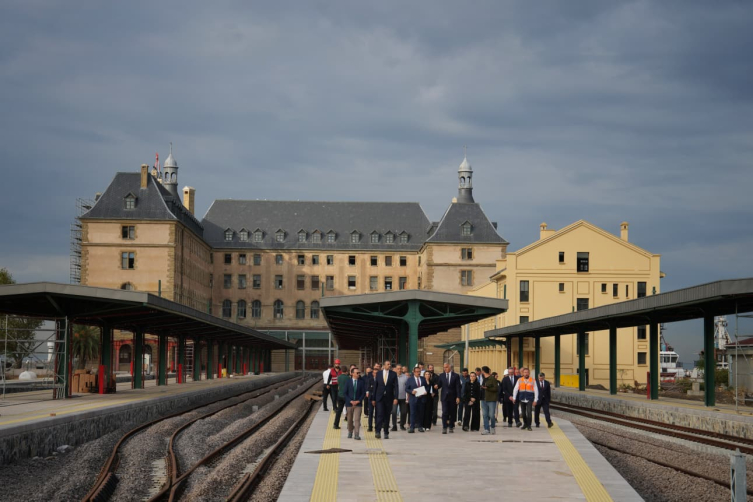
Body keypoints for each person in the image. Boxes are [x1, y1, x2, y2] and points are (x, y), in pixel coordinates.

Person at [372, 360, 398, 439]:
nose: (389, 365)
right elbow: (375, 386)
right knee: (379, 414)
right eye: (388, 364)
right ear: (384, 365)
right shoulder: (379, 373)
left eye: (390, 364)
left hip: (389, 398)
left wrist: (395, 397)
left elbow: (396, 387)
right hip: (380, 397)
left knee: (387, 415)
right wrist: (373, 398)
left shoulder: (393, 374)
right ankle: (378, 431)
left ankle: (386, 432)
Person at [436, 362, 462, 434]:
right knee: (445, 412)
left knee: (452, 412)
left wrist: (458, 397)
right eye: (444, 367)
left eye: (446, 367)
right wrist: (437, 386)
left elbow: (458, 387)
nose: (445, 369)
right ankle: (444, 427)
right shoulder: (441, 375)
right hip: (444, 397)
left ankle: (451, 426)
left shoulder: (456, 376)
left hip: (453, 397)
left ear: (450, 367)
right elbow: (439, 384)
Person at [343, 367, 366, 440]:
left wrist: (358, 401)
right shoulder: (348, 382)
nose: (359, 374)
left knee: (357, 419)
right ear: (352, 374)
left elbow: (363, 393)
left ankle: (356, 434)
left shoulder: (361, 382)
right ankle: (350, 431)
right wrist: (350, 401)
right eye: (357, 373)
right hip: (349, 404)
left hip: (358, 404)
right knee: (349, 419)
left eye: (359, 373)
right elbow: (345, 393)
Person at [405, 366, 426, 433]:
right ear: (414, 372)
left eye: (419, 372)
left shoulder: (423, 379)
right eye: (416, 372)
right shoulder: (410, 379)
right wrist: (411, 392)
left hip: (421, 399)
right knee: (413, 413)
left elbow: (426, 387)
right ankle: (412, 427)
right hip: (413, 399)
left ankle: (420, 427)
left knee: (421, 413)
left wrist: (426, 391)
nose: (418, 373)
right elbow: (406, 389)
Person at [480, 366, 498, 435]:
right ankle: (486, 429)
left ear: (483, 371)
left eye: (482, 371)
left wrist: (487, 388)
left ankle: (492, 427)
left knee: (491, 415)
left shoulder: (492, 378)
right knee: (485, 415)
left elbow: (496, 389)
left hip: (491, 399)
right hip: (483, 399)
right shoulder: (482, 378)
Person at [333, 365, 349, 429]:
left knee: (339, 410)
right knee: (349, 410)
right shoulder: (348, 378)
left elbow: (338, 385)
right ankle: (349, 424)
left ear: (341, 370)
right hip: (346, 396)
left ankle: (335, 424)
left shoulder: (339, 377)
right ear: (346, 370)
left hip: (340, 395)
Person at [396, 365, 409, 431]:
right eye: (398, 369)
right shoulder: (393, 377)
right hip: (395, 398)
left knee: (404, 412)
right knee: (393, 412)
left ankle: (402, 424)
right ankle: (394, 425)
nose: (399, 370)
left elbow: (408, 386)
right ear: (396, 369)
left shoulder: (405, 377)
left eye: (400, 368)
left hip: (403, 397)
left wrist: (407, 397)